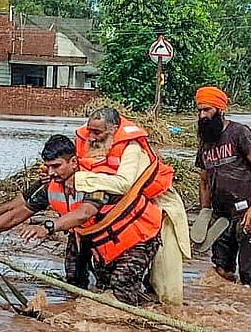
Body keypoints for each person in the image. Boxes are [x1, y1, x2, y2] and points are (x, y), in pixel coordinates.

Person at [0, 134, 164, 306]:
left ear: (74, 162)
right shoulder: (52, 185)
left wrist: (48, 227)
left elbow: (84, 213)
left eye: (56, 166)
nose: (51, 173)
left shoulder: (95, 180)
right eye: (47, 166)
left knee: (121, 290)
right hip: (96, 240)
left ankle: (154, 312)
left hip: (138, 239)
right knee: (78, 282)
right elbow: (15, 212)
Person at [73, 107, 190, 305]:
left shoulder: (131, 148)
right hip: (122, 214)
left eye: (97, 132)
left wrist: (79, 179)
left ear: (114, 129)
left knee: (166, 286)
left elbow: (124, 184)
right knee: (108, 283)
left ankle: (163, 317)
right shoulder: (90, 140)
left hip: (159, 207)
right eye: (90, 131)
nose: (91, 137)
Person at [194, 86, 251, 289]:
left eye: (207, 110)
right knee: (221, 273)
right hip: (220, 218)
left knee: (250, 282)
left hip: (246, 214)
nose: (203, 115)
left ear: (220, 110)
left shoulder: (239, 132)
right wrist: (204, 213)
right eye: (200, 110)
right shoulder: (204, 142)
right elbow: (204, 180)